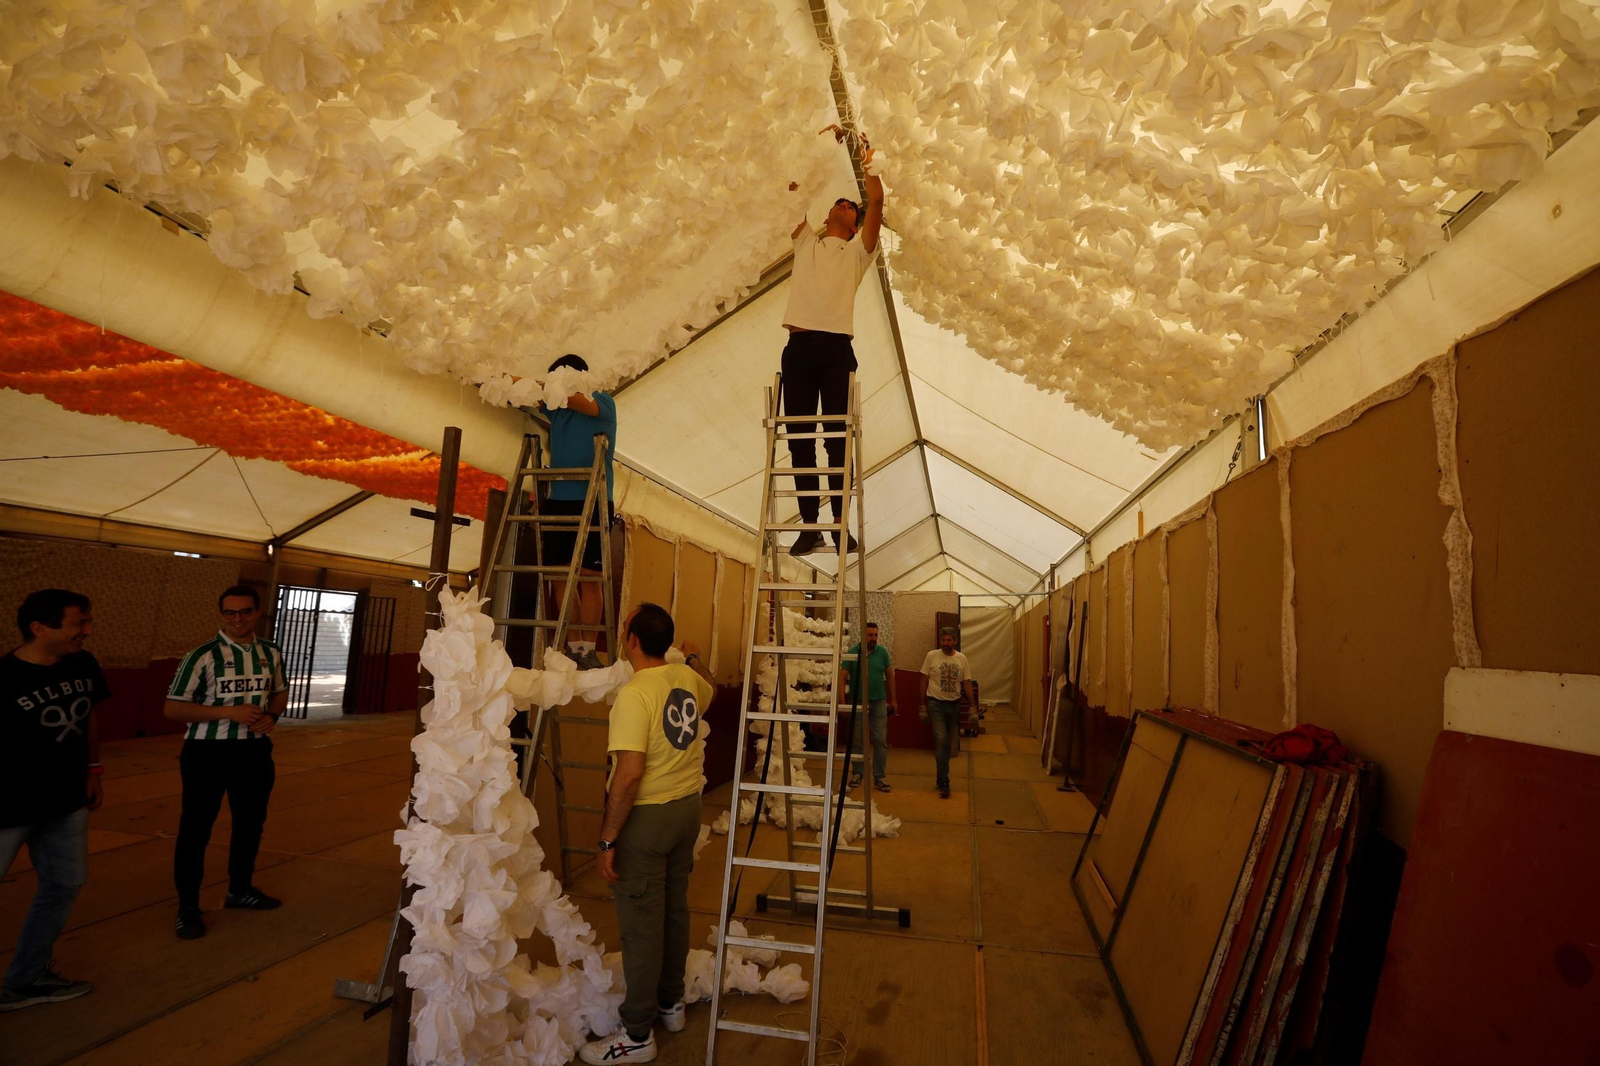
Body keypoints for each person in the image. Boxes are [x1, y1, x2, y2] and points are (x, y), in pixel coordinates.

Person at [580, 603, 714, 1065]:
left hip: (649, 820)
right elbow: (711, 688)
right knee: (674, 912)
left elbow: (630, 773)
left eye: (625, 627)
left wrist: (607, 838)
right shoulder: (687, 678)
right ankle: (671, 1003)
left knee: (641, 928)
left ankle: (637, 1033)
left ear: (632, 640)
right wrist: (693, 657)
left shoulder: (635, 695)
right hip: (687, 810)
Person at [0, 590, 108, 1011]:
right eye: (79, 622)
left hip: (66, 802)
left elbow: (89, 715)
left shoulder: (83, 663)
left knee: (65, 883)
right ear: (40, 628)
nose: (88, 630)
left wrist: (93, 769)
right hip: (9, 807)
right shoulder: (4, 677)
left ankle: (27, 979)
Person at [163, 584, 288, 940]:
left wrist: (272, 716)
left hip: (254, 752)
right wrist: (228, 712)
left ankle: (240, 889)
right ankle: (188, 907)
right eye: (230, 612)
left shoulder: (270, 652)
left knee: (250, 824)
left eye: (245, 611)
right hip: (207, 753)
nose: (237, 619)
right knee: (196, 830)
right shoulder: (201, 655)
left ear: (257, 612)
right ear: (221, 615)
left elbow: (280, 691)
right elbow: (172, 708)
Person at [781, 128, 884, 556]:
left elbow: (876, 200)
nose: (845, 204)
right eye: (838, 202)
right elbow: (791, 190)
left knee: (836, 438)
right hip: (799, 349)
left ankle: (840, 525)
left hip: (837, 349)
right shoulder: (805, 242)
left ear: (855, 225)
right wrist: (824, 149)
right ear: (826, 217)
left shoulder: (859, 252)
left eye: (850, 207)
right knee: (800, 438)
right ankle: (811, 527)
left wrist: (867, 157)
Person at [540, 353, 618, 667]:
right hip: (559, 498)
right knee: (561, 576)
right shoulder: (555, 406)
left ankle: (588, 649)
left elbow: (575, 401)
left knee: (590, 576)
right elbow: (529, 396)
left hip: (594, 498)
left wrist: (546, 387)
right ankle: (574, 646)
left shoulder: (602, 401)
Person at [919, 627, 975, 800]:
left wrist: (973, 707)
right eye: (943, 640)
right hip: (935, 703)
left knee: (948, 744)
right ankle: (944, 782)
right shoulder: (932, 656)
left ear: (955, 641)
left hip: (954, 705)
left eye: (949, 640)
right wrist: (922, 706)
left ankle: (940, 776)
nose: (945, 643)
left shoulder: (961, 659)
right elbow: (923, 680)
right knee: (941, 741)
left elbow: (967, 683)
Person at [839, 621, 895, 792]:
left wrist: (894, 699)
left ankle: (880, 777)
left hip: (879, 702)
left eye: (876, 635)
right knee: (857, 739)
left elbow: (890, 676)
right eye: (870, 635)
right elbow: (842, 678)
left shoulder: (882, 652)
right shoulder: (852, 653)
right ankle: (857, 773)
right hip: (858, 703)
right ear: (863, 636)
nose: (874, 638)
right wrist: (842, 701)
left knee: (880, 739)